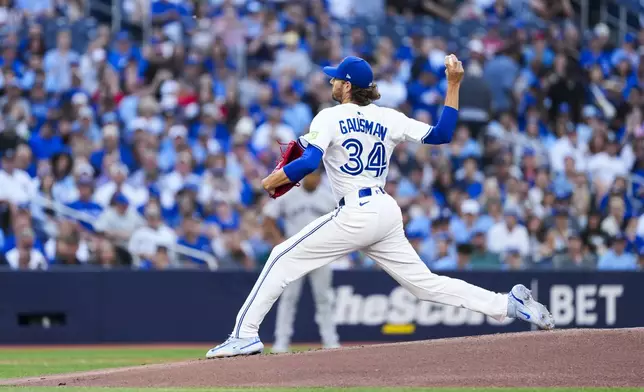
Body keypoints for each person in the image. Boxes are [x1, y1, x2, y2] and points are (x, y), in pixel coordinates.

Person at [206, 55, 554, 358]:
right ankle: (508, 303)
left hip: (355, 212)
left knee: (281, 257)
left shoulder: (328, 117)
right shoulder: (388, 117)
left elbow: (309, 162)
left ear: (346, 86)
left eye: (335, 77)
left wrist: (274, 178)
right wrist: (453, 84)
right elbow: (442, 134)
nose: (331, 80)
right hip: (384, 211)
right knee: (424, 285)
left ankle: (243, 335)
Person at [262, 169, 341, 353]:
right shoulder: (289, 194)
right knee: (289, 298)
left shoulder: (328, 197)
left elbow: (340, 222)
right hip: (294, 252)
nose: (314, 179)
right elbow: (268, 217)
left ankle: (330, 340)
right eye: (311, 175)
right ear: (305, 176)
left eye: (317, 176)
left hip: (320, 252)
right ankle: (281, 341)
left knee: (324, 298)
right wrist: (279, 242)